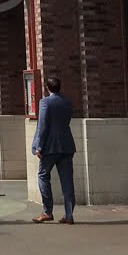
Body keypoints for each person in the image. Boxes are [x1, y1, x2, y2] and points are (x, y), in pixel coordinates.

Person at [32, 76, 77, 224]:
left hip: (50, 146)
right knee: (67, 181)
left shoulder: (45, 102)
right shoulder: (67, 102)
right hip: (66, 144)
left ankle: (47, 211)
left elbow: (43, 126)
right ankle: (69, 215)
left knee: (43, 176)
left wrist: (39, 146)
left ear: (47, 87)